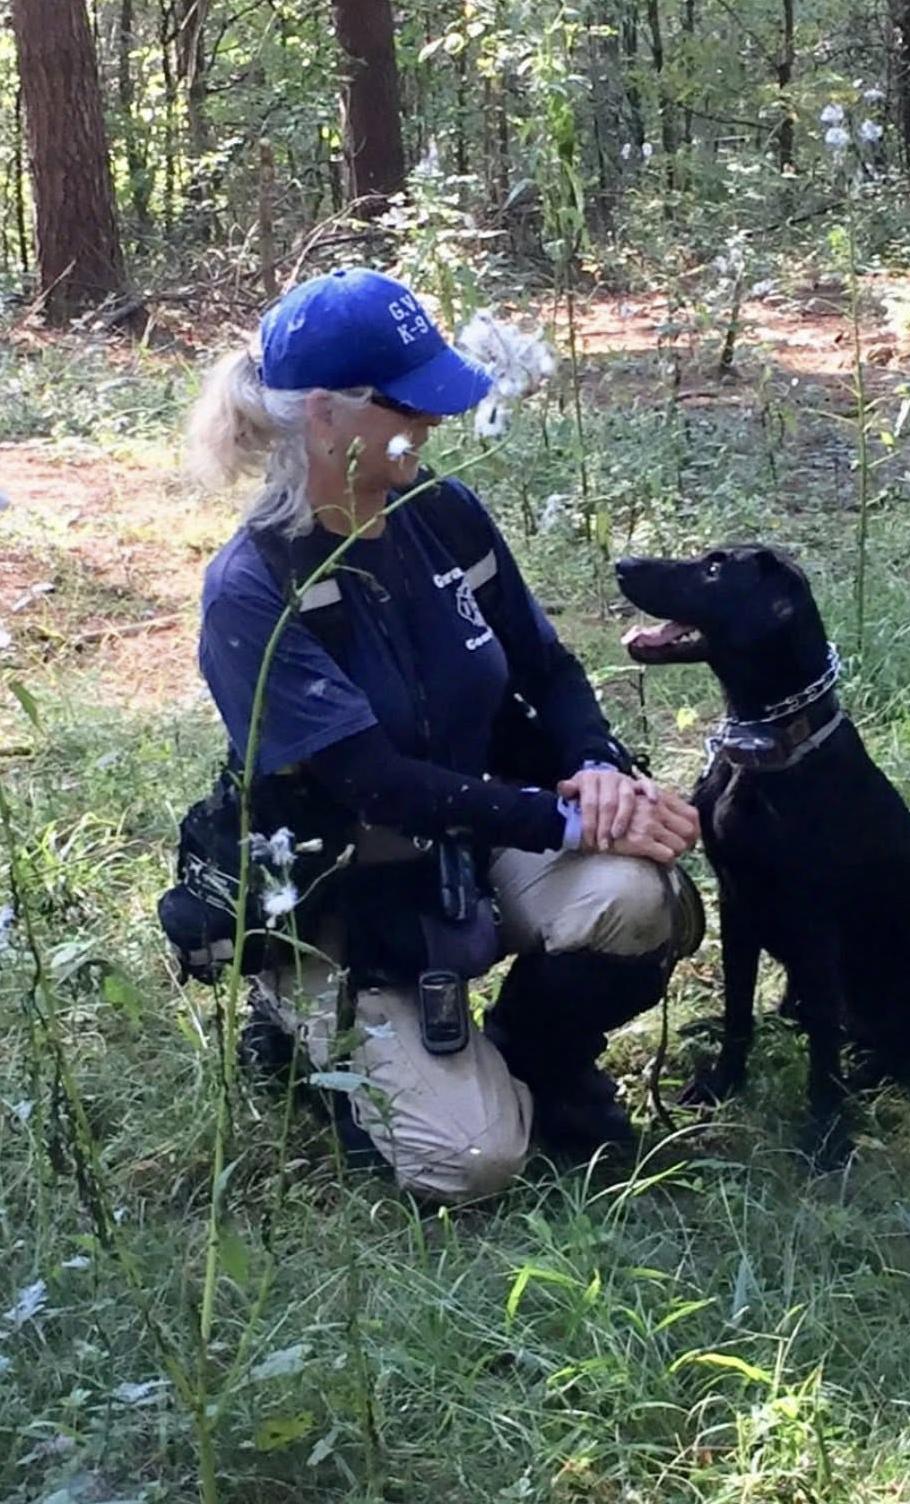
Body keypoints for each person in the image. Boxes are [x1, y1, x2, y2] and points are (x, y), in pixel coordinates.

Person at [185, 267, 703, 1201]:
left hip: (476, 841)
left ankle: (531, 1059)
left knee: (642, 898)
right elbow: (372, 780)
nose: (431, 423)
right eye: (407, 403)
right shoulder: (252, 589)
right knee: (474, 1162)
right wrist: (569, 825)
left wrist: (595, 771)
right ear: (324, 416)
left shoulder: (442, 512)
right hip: (352, 898)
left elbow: (545, 669)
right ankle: (302, 1018)